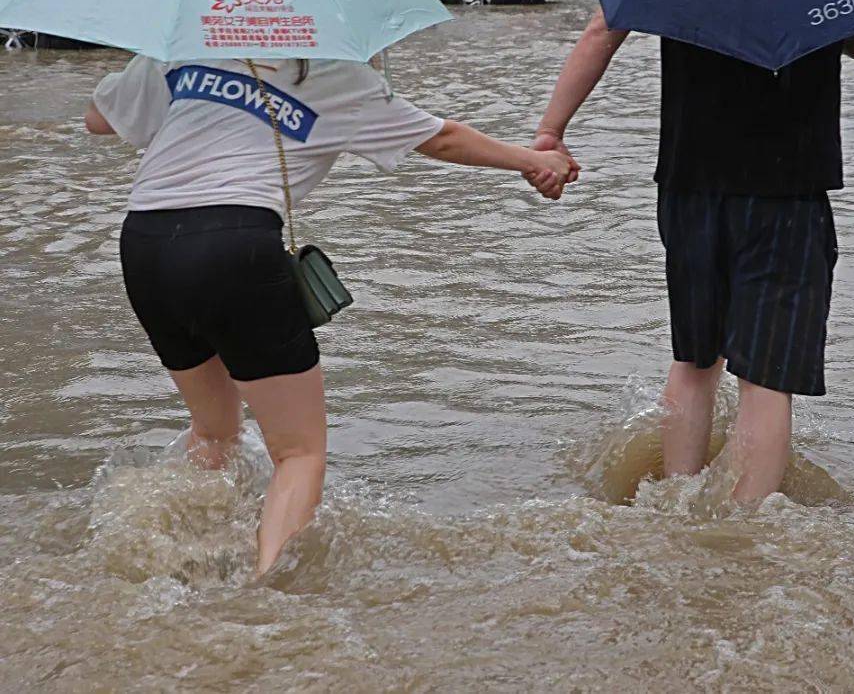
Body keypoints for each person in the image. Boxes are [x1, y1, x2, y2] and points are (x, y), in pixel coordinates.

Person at [86, 56, 577, 575]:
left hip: (144, 245)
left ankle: (178, 559)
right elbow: (443, 139)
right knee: (298, 454)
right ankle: (264, 592)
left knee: (213, 432)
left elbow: (99, 120)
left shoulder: (182, 48)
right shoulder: (337, 74)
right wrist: (533, 160)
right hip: (235, 244)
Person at [525, 14, 854, 504]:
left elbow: (604, 29)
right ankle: (739, 535)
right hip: (786, 188)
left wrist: (551, 130)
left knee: (694, 360)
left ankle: (675, 506)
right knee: (765, 379)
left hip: (690, 183)